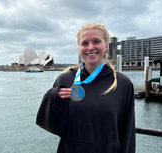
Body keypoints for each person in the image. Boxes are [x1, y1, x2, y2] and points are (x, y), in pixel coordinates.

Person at [36, 23, 135, 153]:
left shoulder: (123, 84)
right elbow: (52, 126)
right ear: (79, 47)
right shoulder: (64, 80)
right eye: (84, 43)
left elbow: (127, 134)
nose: (90, 47)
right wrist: (54, 99)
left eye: (96, 41)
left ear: (106, 46)